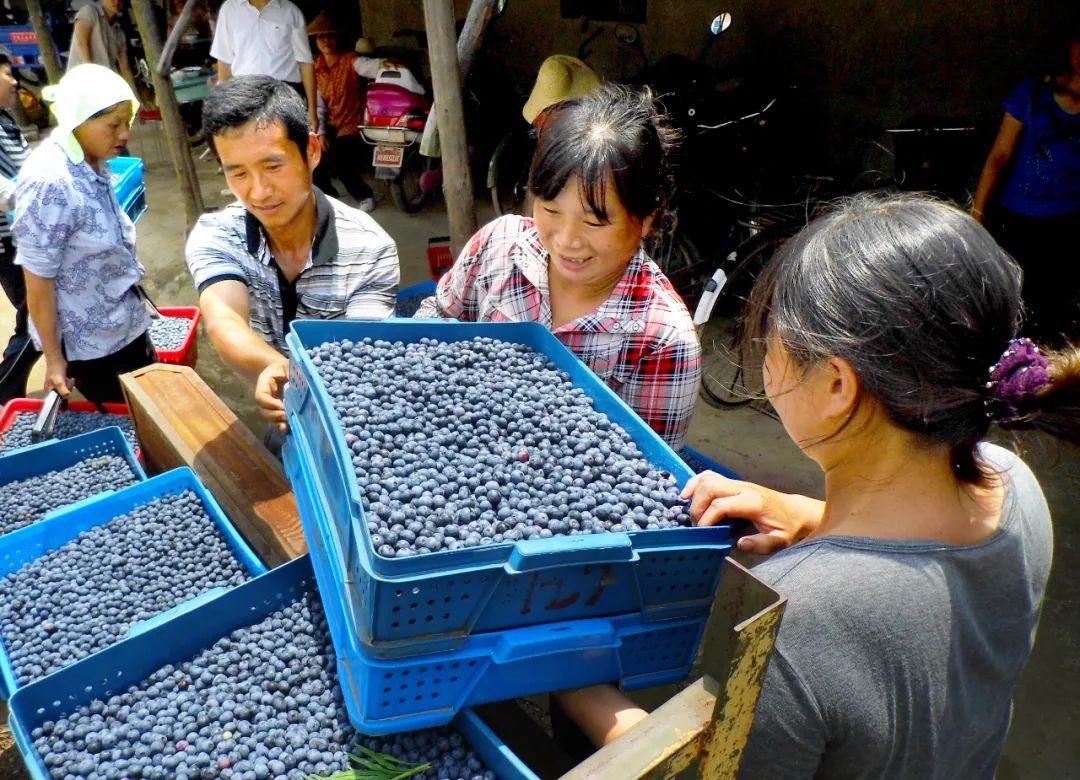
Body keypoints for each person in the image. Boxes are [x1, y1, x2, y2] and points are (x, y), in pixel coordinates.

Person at [555, 194, 1079, 779]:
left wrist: (575, 680)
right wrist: (811, 516)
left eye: (773, 340)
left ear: (836, 385)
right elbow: (918, 567)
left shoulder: (793, 619)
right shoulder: (1011, 482)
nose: (765, 360)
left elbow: (712, 770)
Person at [416, 83, 701, 450]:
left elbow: (645, 474)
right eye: (550, 210)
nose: (567, 240)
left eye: (595, 221)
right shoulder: (499, 245)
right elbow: (438, 314)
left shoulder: (663, 340)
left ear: (647, 218)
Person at [185, 76, 399, 435]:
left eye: (273, 166)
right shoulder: (218, 234)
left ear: (311, 151)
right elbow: (224, 322)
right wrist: (277, 368)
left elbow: (364, 359)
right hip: (279, 393)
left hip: (347, 409)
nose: (259, 191)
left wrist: (295, 380)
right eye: (238, 172)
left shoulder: (370, 248)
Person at [14, 64, 156, 404]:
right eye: (113, 125)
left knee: (151, 406)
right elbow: (38, 281)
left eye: (127, 122)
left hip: (124, 320)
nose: (124, 134)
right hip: (92, 344)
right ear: (79, 120)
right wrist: (53, 359)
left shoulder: (93, 158)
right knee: (127, 415)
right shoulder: (49, 182)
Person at [971, 31, 1080, 344]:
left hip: (1069, 222)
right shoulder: (1033, 93)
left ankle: (1049, 380)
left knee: (1055, 308)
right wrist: (976, 215)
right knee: (1014, 302)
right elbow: (999, 157)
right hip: (1020, 218)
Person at [210, 0, 318, 134]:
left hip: (285, 95)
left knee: (287, 146)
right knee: (253, 148)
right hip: (245, 95)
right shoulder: (229, 9)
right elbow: (224, 61)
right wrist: (223, 105)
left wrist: (312, 112)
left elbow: (305, 63)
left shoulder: (290, 11)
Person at [306, 12, 377, 211]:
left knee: (340, 159)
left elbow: (369, 67)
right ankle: (327, 197)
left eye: (330, 36)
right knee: (313, 155)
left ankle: (365, 196)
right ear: (316, 41)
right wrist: (320, 133)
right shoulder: (316, 67)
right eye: (321, 37)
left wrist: (387, 65)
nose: (326, 41)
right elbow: (318, 104)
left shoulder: (350, 60)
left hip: (352, 122)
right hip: (330, 123)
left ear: (337, 38)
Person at [0, 51, 34, 403]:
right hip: (9, 243)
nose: (14, 80)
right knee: (35, 321)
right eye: (6, 74)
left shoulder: (4, 119)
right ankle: (5, 391)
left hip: (26, 234)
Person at [66, 0, 141, 103]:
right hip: (81, 82)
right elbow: (82, 44)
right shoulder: (89, 12)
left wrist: (136, 99)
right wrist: (91, 74)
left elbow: (125, 68)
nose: (116, 2)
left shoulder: (119, 32)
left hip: (105, 87)